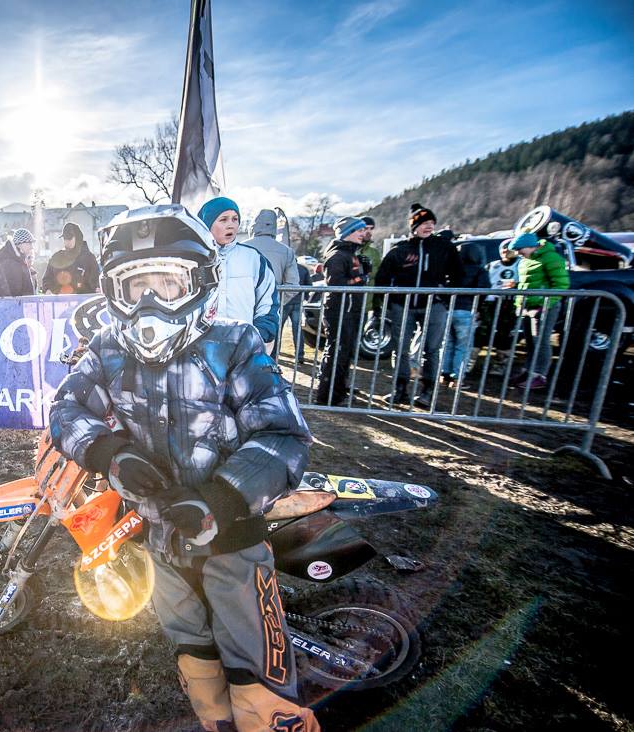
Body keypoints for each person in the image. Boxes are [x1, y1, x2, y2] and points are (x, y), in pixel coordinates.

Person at [49, 204, 319, 732]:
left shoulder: (235, 344)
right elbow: (66, 409)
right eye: (136, 287)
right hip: (159, 539)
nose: (150, 301)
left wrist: (222, 498)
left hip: (231, 539)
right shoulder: (108, 349)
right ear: (114, 292)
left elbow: (283, 435)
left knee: (257, 682)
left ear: (199, 283)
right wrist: (109, 454)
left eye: (167, 284)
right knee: (197, 665)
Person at [374, 203, 463, 408]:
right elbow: (382, 278)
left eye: (431, 222)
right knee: (400, 348)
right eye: (423, 223)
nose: (428, 226)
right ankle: (400, 389)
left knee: (431, 349)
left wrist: (445, 297)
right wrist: (389, 301)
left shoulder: (444, 247)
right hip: (403, 306)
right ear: (414, 227)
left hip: (434, 305)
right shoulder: (400, 250)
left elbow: (458, 274)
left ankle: (427, 392)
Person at [196, 197, 280, 347]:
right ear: (207, 224)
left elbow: (268, 303)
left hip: (243, 347)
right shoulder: (193, 259)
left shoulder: (254, 258)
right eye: (223, 220)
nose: (231, 225)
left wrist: (258, 335)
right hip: (200, 347)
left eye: (235, 219)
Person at [316, 217, 367, 406]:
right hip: (339, 311)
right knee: (337, 353)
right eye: (359, 231)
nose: (363, 234)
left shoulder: (350, 253)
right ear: (348, 233)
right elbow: (336, 284)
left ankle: (339, 391)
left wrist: (362, 273)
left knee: (344, 353)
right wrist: (359, 279)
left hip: (350, 310)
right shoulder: (337, 255)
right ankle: (328, 396)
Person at [509, 231, 569, 389]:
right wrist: (519, 302)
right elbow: (526, 284)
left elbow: (561, 285)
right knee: (530, 341)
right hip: (528, 307)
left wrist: (544, 305)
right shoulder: (525, 261)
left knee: (541, 341)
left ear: (530, 246)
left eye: (519, 249)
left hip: (544, 307)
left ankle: (540, 375)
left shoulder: (551, 258)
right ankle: (528, 371)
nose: (518, 253)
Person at [243, 209, 300, 360]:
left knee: (240, 351)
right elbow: (293, 285)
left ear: (253, 226)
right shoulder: (286, 251)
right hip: (271, 311)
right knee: (269, 351)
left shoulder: (241, 247)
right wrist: (275, 303)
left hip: (243, 308)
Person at [440, 241, 488, 386]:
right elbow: (484, 289)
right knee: (463, 346)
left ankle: (444, 375)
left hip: (448, 310)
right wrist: (477, 307)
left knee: (447, 344)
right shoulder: (479, 271)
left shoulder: (450, 269)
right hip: (467, 310)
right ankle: (456, 378)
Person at [482, 239, 519, 375]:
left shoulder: (521, 265)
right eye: (503, 248)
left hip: (510, 304)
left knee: (505, 334)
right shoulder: (492, 265)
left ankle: (500, 365)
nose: (505, 251)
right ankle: (468, 365)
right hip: (490, 303)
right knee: (482, 332)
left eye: (508, 248)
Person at [40, 222, 100, 294]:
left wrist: (97, 288)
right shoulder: (56, 258)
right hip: (60, 299)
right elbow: (47, 279)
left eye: (70, 238)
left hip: (83, 299)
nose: (67, 241)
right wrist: (47, 289)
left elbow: (96, 282)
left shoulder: (89, 258)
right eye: (65, 238)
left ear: (78, 237)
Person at [0, 228, 37, 296]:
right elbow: (14, 293)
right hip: (17, 302)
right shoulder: (11, 264)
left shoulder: (18, 260)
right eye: (29, 243)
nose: (31, 247)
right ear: (20, 244)